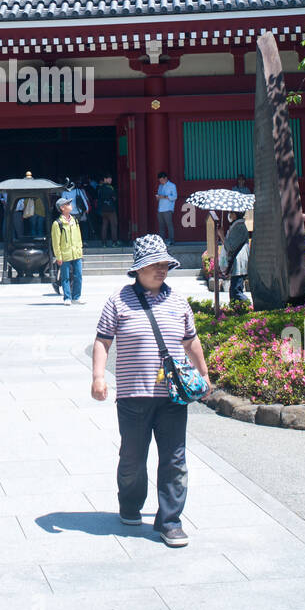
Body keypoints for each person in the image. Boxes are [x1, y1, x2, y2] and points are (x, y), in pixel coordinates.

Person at [91, 234, 209, 547]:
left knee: (174, 459)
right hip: (132, 395)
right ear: (138, 269)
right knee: (132, 457)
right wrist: (98, 377)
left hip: (172, 396)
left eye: (164, 264)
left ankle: (170, 521)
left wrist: (205, 374)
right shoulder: (118, 301)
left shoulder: (178, 301)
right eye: (154, 265)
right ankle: (130, 503)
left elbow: (191, 341)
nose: (161, 270)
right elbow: (103, 341)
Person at [52, 195, 84, 305]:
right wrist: (58, 256)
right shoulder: (57, 223)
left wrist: (80, 249)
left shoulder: (75, 220)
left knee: (78, 276)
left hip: (76, 252)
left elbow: (79, 236)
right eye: (68, 204)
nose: (70, 206)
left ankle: (76, 296)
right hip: (65, 254)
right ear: (62, 208)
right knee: (65, 277)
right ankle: (67, 297)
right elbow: (55, 242)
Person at [222, 211, 250, 304]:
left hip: (239, 263)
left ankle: (248, 305)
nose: (229, 214)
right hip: (238, 262)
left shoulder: (239, 227)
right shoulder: (237, 226)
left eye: (231, 212)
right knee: (234, 291)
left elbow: (230, 247)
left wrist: (221, 235)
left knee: (236, 291)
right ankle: (238, 310)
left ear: (235, 214)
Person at [156, 173, 177, 244]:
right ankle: (162, 241)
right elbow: (159, 196)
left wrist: (164, 197)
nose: (161, 182)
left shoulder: (172, 186)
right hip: (160, 208)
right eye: (160, 181)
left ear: (166, 178)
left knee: (169, 225)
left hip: (168, 208)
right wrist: (158, 197)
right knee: (161, 226)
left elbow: (174, 197)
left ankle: (172, 240)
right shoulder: (160, 186)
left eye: (162, 180)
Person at [97, 175, 118, 245]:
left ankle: (104, 243)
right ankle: (114, 242)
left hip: (103, 209)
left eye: (111, 178)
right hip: (111, 209)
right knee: (113, 225)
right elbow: (114, 198)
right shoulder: (110, 187)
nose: (110, 180)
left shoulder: (100, 187)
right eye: (109, 178)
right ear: (105, 179)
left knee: (104, 226)